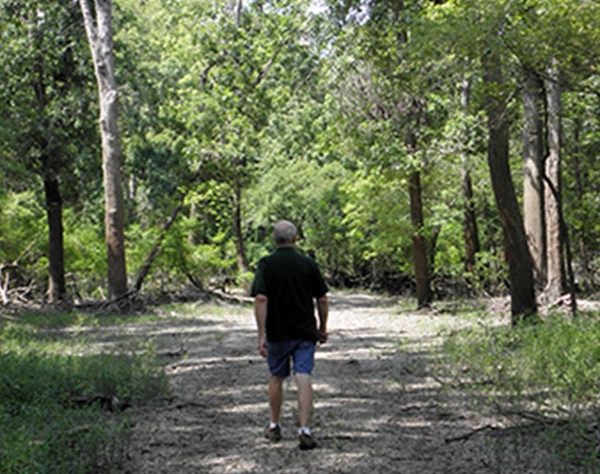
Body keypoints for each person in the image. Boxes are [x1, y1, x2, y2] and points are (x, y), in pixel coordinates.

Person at [251, 220, 329, 450]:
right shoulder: (308, 263)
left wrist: (261, 334)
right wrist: (322, 328)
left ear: (274, 240)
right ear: (295, 239)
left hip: (277, 331)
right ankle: (304, 429)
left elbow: (261, 299)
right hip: (305, 331)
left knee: (276, 376)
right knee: (303, 375)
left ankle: (274, 426)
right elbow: (322, 299)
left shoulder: (266, 264)